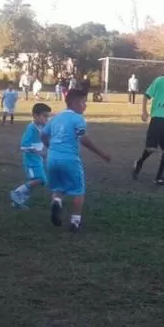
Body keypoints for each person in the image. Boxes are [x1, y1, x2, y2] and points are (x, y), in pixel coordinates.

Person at [42, 89, 111, 232]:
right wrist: (101, 153)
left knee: (58, 187)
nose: (85, 105)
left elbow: (43, 135)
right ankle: (75, 221)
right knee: (78, 190)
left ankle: (56, 201)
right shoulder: (77, 119)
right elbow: (83, 138)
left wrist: (50, 147)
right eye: (83, 102)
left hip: (52, 159)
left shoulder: (55, 117)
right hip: (70, 159)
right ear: (73, 103)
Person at [10, 103, 53, 209]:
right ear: (35, 116)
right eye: (44, 116)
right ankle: (17, 193)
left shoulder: (42, 126)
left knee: (40, 180)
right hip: (31, 159)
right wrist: (39, 153)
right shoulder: (31, 128)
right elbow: (24, 146)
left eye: (48, 116)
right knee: (41, 179)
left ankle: (18, 201)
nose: (47, 119)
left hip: (37, 159)